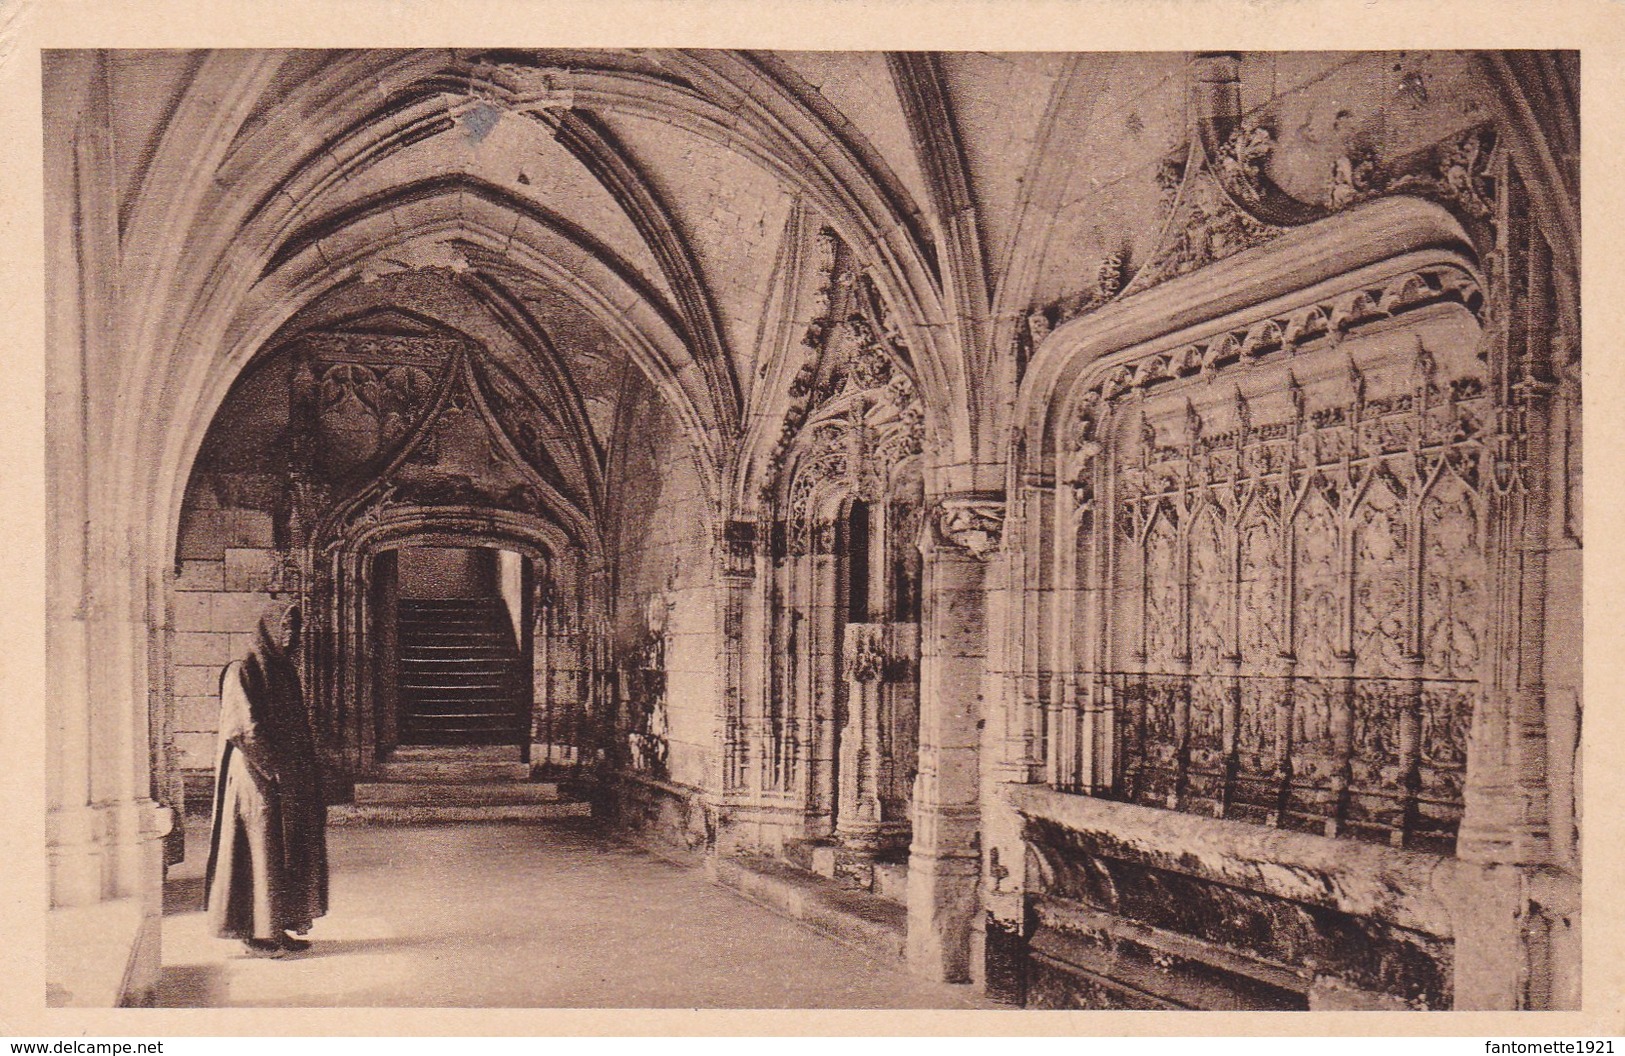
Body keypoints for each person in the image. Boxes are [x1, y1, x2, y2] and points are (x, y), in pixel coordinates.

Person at [203, 603, 329, 957]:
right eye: (284, 626)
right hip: (255, 779)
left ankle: (275, 926)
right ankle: (255, 934)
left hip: (283, 778)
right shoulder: (242, 670)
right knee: (260, 851)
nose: (290, 634)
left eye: (295, 627)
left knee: (281, 852)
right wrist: (275, 769)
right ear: (268, 628)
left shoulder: (282, 670)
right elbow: (243, 729)